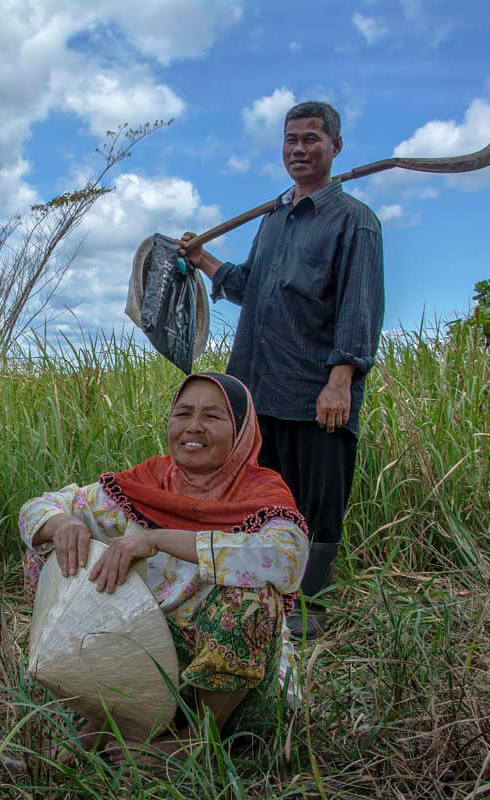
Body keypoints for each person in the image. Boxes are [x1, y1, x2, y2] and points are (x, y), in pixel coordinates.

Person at [19, 372, 309, 759]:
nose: (193, 427)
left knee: (254, 599)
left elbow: (285, 560)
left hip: (237, 688)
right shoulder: (141, 486)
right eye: (183, 413)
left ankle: (197, 738)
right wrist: (64, 524)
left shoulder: (260, 495)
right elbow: (36, 509)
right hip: (145, 667)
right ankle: (114, 718)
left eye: (213, 416)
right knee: (60, 548)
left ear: (240, 431)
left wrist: (157, 540)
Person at [178, 101, 383, 639]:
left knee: (316, 504)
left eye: (311, 138)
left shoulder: (355, 222)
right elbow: (250, 286)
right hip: (256, 390)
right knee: (261, 498)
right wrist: (202, 260)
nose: (299, 148)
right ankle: (258, 594)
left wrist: (340, 382)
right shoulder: (272, 220)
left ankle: (307, 613)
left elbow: (359, 309)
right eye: (291, 139)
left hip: (315, 394)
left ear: (335, 146)